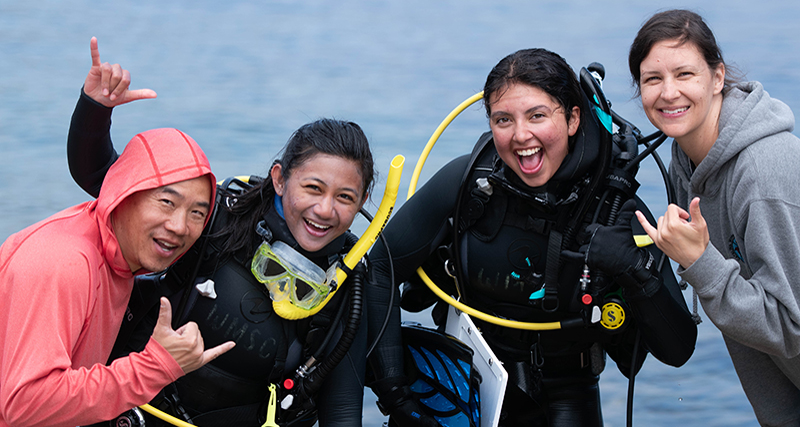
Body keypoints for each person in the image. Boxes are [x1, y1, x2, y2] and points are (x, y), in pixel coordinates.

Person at [365, 48, 698, 426]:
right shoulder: (470, 184)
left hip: (569, 392)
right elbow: (379, 268)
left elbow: (678, 348)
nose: (521, 136)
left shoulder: (614, 209)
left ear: (573, 119)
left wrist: (634, 268)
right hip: (465, 386)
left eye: (537, 116)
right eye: (503, 119)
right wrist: (396, 395)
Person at [67, 38, 376, 426]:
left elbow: (343, 409)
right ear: (280, 179)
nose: (324, 210)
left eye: (345, 197)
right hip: (129, 412)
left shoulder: (349, 283)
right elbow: (100, 177)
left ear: (364, 198)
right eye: (312, 188)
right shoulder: (216, 219)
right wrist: (95, 109)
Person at [0, 53, 234, 425]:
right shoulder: (62, 262)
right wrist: (155, 367)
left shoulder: (121, 259)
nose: (179, 225)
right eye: (166, 202)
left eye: (196, 212)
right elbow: (23, 404)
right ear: (123, 193)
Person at [629, 9, 800, 426]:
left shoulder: (763, 171)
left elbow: (790, 328)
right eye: (653, 79)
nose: (669, 93)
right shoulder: (686, 160)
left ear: (718, 77)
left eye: (685, 74)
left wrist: (700, 264)